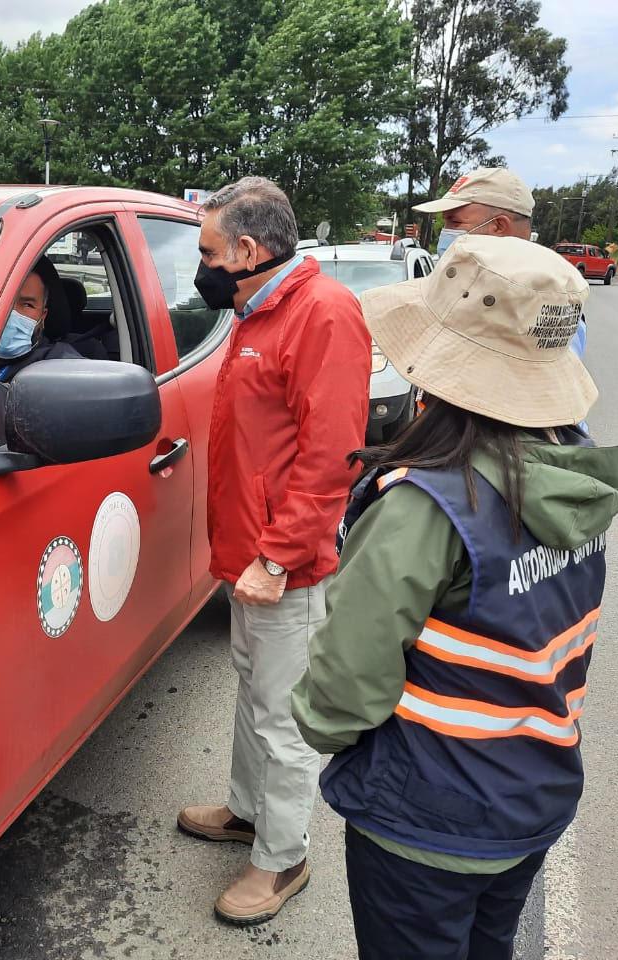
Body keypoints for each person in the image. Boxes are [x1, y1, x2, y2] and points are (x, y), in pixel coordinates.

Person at [291, 235, 618, 959]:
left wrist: (327, 734)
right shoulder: (577, 471)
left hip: (428, 816)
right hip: (534, 791)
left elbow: (348, 675)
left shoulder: (427, 502)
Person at [177, 176, 370, 925]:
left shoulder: (322, 315)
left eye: (208, 250)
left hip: (280, 564)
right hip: (249, 556)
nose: (202, 265)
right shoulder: (258, 310)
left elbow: (330, 458)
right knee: (254, 694)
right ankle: (248, 810)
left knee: (283, 716)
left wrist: (277, 556)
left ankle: (282, 857)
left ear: (249, 250)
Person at [415, 166, 589, 359]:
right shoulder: (460, 284)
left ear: (498, 226)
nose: (445, 232)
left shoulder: (547, 296)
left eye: (454, 222)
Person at [0, 262, 83, 383]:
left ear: (43, 316)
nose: (11, 313)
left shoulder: (59, 364)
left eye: (27, 305)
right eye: (1, 301)